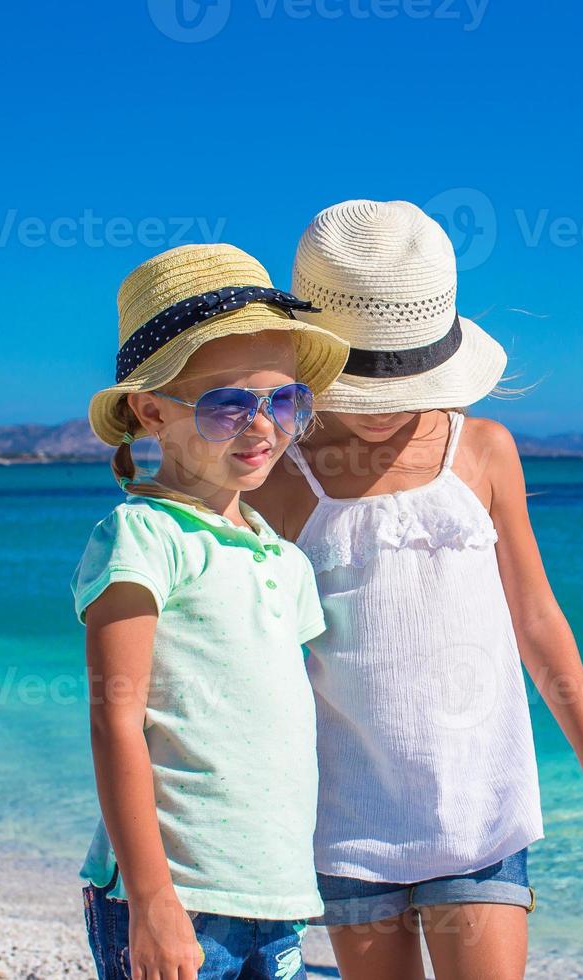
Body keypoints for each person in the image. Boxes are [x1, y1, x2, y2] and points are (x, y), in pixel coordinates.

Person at [250, 200, 583, 980]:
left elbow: (535, 616)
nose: (385, 412)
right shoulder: (281, 476)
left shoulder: (483, 452)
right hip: (345, 814)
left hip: (480, 806)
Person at [73, 243, 349, 979]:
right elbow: (115, 720)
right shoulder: (143, 536)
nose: (263, 427)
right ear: (151, 410)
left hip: (274, 894)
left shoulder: (284, 561)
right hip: (176, 895)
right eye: (229, 404)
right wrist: (152, 900)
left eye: (284, 400)